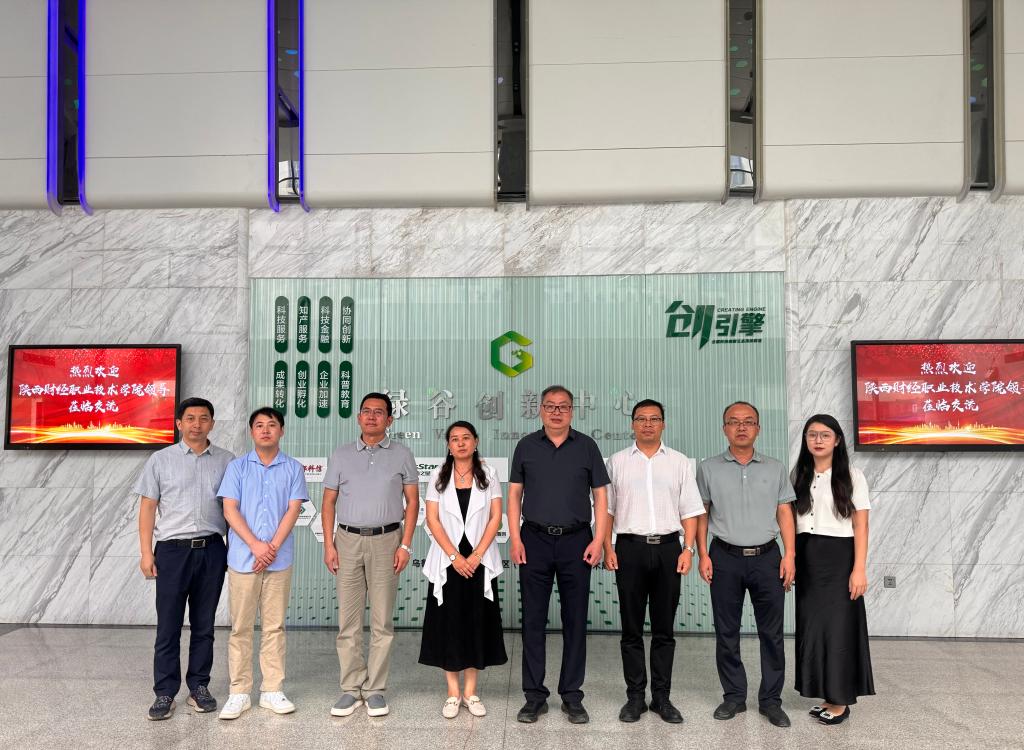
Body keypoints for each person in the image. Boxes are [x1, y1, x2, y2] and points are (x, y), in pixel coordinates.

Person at [508, 385, 610, 725]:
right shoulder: (526, 446)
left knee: (575, 620)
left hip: (577, 541)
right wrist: (515, 538)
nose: (556, 412)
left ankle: (572, 696)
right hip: (534, 540)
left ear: (572, 411)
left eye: (563, 406)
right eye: (550, 406)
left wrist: (599, 539)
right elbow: (514, 495)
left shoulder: (587, 446)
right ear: (540, 410)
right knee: (533, 620)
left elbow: (601, 497)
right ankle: (534, 696)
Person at [603, 398, 705, 724]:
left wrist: (688, 550)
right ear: (632, 424)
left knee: (664, 630)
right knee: (631, 629)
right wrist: (607, 547)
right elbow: (607, 510)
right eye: (641, 419)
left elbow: (690, 510)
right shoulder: (617, 462)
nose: (647, 424)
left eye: (654, 419)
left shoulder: (678, 462)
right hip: (629, 549)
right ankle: (635, 698)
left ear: (663, 423)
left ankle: (662, 698)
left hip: (668, 549)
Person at [696, 401, 797, 728]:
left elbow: (785, 512)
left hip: (768, 558)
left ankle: (771, 701)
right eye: (734, 422)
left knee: (772, 633)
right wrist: (703, 554)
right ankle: (734, 696)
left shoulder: (775, 468)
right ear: (724, 428)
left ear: (758, 428)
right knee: (726, 631)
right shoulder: (708, 468)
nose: (741, 427)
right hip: (724, 557)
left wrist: (790, 555)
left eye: (748, 421)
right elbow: (702, 513)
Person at [321, 392, 420, 718]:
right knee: (348, 622)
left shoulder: (402, 454)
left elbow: (413, 502)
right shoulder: (342, 454)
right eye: (366, 411)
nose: (372, 416)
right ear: (359, 417)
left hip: (387, 541)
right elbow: (328, 502)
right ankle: (351, 688)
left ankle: (375, 689)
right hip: (347, 541)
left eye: (379, 412)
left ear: (389, 419)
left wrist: (405, 545)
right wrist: (329, 544)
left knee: (382, 621)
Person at [135, 397, 234, 721]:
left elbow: (234, 509)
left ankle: (199, 687)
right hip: (172, 551)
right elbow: (148, 507)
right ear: (179, 423)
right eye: (190, 418)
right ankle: (164, 692)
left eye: (203, 418)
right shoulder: (160, 460)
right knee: (168, 626)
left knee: (205, 625)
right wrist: (146, 552)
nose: (197, 424)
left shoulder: (227, 461)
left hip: (212, 549)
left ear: (212, 424)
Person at [217, 407, 307, 720]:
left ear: (282, 430)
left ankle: (271, 690)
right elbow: (230, 509)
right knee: (240, 628)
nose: (265, 430)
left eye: (272, 425)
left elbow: (293, 510)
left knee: (274, 627)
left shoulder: (293, 468)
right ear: (251, 431)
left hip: (279, 561)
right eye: (259, 425)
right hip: (243, 560)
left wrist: (272, 548)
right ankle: (239, 692)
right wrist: (256, 546)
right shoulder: (237, 467)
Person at [418, 421, 508, 718]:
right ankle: (452, 693)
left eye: (466, 438)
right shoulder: (438, 475)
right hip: (448, 560)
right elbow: (432, 519)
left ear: (475, 442)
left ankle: (470, 692)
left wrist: (477, 554)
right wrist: (455, 556)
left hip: (480, 559)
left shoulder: (489, 474)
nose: (460, 443)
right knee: (449, 623)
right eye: (454, 439)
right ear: (448, 445)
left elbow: (496, 516)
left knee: (475, 623)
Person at [791, 414, 875, 725]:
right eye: (812, 434)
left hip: (840, 558)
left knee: (839, 629)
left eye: (825, 435)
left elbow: (861, 526)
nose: (818, 440)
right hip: (807, 557)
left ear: (837, 440)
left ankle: (841, 700)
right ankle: (827, 694)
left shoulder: (853, 476)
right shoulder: (798, 475)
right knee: (815, 630)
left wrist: (859, 569)